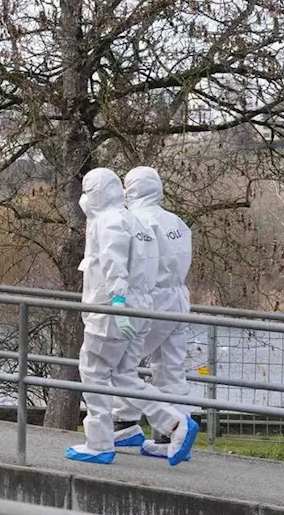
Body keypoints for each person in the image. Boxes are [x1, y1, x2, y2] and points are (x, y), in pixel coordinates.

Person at [65, 167, 198, 466]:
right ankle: (174, 424)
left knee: (96, 372)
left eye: (88, 192)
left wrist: (120, 303)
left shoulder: (116, 221)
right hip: (157, 302)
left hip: (117, 308)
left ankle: (101, 441)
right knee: (139, 373)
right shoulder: (159, 222)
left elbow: (114, 268)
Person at [111, 166, 197, 458]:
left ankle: (124, 424)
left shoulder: (131, 220)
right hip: (178, 300)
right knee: (171, 369)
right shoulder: (177, 222)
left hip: (149, 300)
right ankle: (173, 434)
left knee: (121, 364)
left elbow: (128, 265)